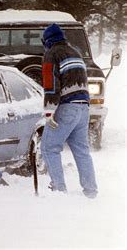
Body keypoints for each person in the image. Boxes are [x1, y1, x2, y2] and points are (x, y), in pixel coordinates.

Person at [40, 23, 97, 198]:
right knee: (81, 150)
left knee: (49, 148)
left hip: (67, 107)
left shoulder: (51, 55)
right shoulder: (76, 52)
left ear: (48, 41)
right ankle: (91, 191)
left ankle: (59, 190)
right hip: (83, 107)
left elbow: (51, 85)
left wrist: (49, 111)